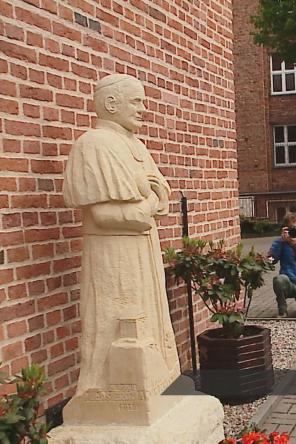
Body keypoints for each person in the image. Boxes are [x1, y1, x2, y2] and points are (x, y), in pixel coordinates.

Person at [62, 74, 180, 398]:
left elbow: (162, 197)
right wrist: (147, 207)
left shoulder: (137, 145)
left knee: (150, 323)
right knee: (113, 326)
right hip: (113, 256)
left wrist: (152, 204)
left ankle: (156, 384)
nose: (143, 109)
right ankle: (105, 392)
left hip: (145, 251)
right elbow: (106, 215)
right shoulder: (93, 145)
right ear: (111, 103)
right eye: (136, 102)